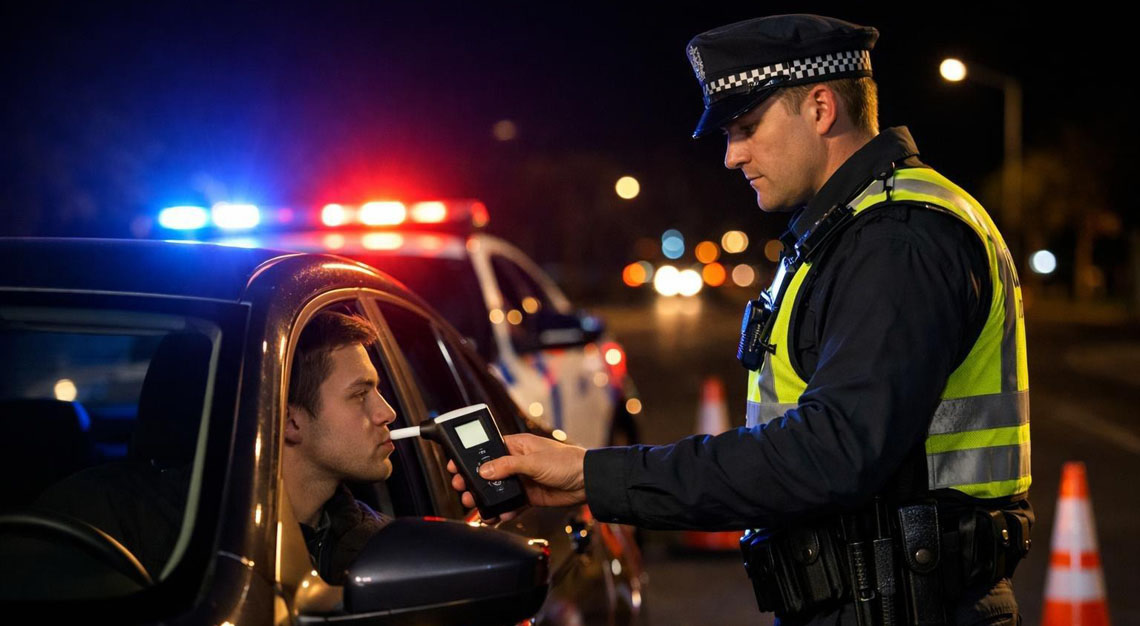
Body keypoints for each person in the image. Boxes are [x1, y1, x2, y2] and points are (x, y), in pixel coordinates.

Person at [451, 14, 1032, 626]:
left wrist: (592, 475)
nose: (732, 156)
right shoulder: (845, 235)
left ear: (820, 107)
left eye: (748, 127)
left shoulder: (899, 241)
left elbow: (827, 455)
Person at [283, 311, 396, 584]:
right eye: (359, 394)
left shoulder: (381, 548)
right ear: (292, 422)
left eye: (377, 391)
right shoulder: (182, 549)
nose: (387, 413)